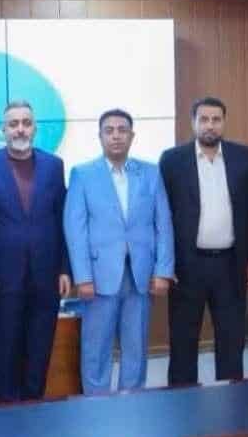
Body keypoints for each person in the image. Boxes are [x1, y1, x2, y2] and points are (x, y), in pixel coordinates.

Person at [65, 109, 174, 394]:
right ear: (100, 136)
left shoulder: (151, 173)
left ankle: (132, 403)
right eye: (109, 130)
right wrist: (83, 277)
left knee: (136, 346)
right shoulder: (83, 174)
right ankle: (97, 406)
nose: (116, 136)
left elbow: (163, 224)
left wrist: (163, 270)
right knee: (96, 348)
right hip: (98, 277)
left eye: (122, 130)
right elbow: (75, 229)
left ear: (132, 136)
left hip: (140, 275)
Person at [159, 97, 248, 385]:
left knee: (231, 339)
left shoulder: (243, 156)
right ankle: (182, 400)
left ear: (224, 122)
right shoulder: (172, 160)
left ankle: (230, 400)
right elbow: (161, 215)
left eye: (216, 119)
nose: (210, 125)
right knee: (183, 339)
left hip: (231, 263)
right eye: (203, 119)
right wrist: (165, 263)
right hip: (186, 265)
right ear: (193, 122)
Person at [0, 101, 70, 402]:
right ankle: (7, 412)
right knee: (4, 350)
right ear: (3, 130)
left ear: (35, 128)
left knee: (40, 349)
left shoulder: (54, 166)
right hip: (3, 277)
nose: (20, 129)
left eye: (26, 123)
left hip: (46, 276)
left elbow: (63, 219)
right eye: (13, 123)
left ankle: (33, 410)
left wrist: (65, 268)